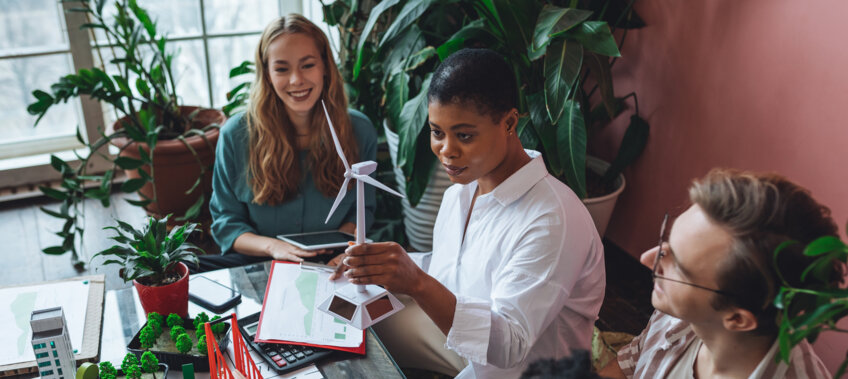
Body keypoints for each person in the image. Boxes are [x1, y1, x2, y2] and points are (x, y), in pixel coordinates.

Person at [332, 48, 606, 378]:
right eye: (437, 132)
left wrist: (416, 282)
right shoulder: (459, 194)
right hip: (461, 345)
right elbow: (453, 270)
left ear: (508, 123)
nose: (447, 151)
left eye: (464, 135)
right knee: (341, 321)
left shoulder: (552, 220)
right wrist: (382, 264)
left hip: (523, 369)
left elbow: (510, 345)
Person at [600, 169, 841, 378]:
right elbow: (628, 366)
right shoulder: (682, 312)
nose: (647, 258)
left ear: (737, 319)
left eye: (681, 269)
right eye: (668, 242)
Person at [198, 14, 376, 272]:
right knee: (179, 271)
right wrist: (275, 248)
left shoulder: (360, 131)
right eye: (282, 69)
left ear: (325, 67)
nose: (296, 80)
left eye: (307, 65)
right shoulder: (235, 135)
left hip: (334, 263)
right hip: (263, 262)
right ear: (267, 75)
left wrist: (344, 248)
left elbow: (363, 210)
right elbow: (227, 224)